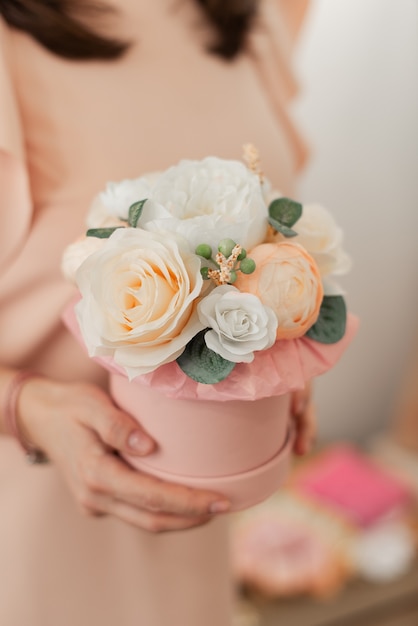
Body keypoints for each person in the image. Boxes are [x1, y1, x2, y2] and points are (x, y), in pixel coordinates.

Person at [0, 1, 315, 624]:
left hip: (192, 541)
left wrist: (278, 353)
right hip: (27, 538)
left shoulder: (245, 14)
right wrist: (24, 407)